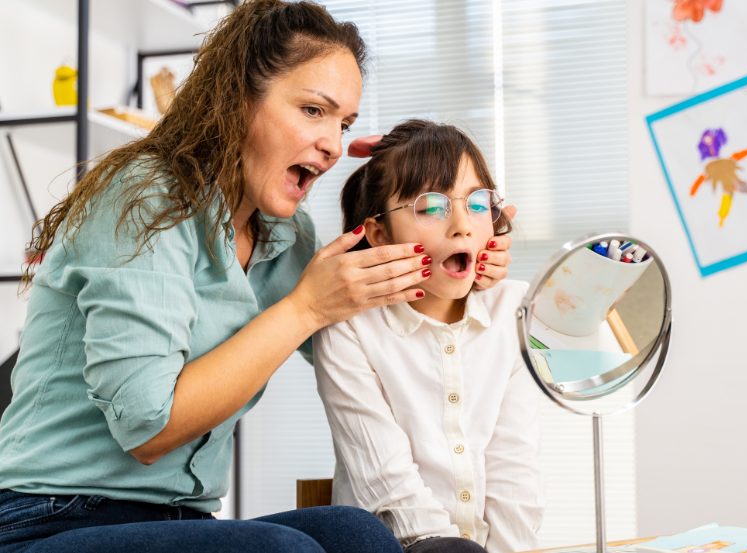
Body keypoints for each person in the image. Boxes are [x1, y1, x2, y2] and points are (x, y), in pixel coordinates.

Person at [0, 2, 514, 551]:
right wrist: (305, 308)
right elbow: (147, 428)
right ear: (235, 101)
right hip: (51, 515)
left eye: (343, 124)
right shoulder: (144, 197)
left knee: (357, 534)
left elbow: (379, 352)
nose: (334, 145)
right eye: (314, 111)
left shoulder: (287, 238)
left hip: (181, 519)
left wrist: (451, 247)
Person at [313, 120, 544, 553]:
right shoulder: (349, 324)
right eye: (431, 207)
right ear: (380, 233)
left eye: (477, 203)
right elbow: (387, 484)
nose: (461, 225)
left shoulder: (514, 310)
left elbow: (516, 471)